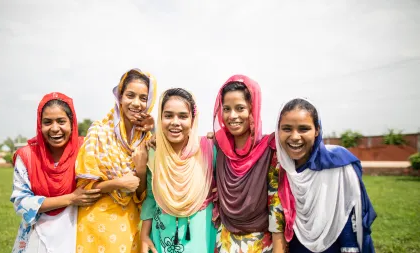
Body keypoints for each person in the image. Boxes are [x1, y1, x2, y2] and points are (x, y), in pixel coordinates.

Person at [275, 97, 377, 253]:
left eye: (303, 129)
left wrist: (349, 246)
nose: (295, 136)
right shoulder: (279, 168)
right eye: (287, 128)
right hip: (295, 247)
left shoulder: (338, 162)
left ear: (317, 130)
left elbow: (350, 209)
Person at [75, 68, 156, 253]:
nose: (136, 103)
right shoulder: (99, 132)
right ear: (120, 97)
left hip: (130, 224)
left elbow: (143, 195)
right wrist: (117, 183)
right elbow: (84, 189)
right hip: (96, 224)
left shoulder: (145, 140)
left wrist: (141, 170)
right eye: (130, 95)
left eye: (143, 98)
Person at [11, 92, 101, 253]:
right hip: (36, 239)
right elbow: (22, 203)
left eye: (61, 121)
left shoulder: (86, 150)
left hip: (77, 236)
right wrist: (71, 198)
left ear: (72, 123)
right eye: (47, 122)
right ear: (40, 125)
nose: (54, 128)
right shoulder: (27, 156)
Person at [212, 75, 286, 253]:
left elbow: (275, 204)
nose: (232, 116)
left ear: (253, 109)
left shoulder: (270, 150)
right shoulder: (218, 147)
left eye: (240, 108)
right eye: (227, 109)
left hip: (261, 244)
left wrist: (278, 248)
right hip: (225, 241)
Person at [141, 88, 217, 253]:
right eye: (168, 115)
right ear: (160, 118)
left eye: (183, 116)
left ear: (193, 119)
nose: (175, 122)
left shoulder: (209, 150)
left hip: (201, 234)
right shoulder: (154, 153)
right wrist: (144, 235)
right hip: (162, 235)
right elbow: (151, 198)